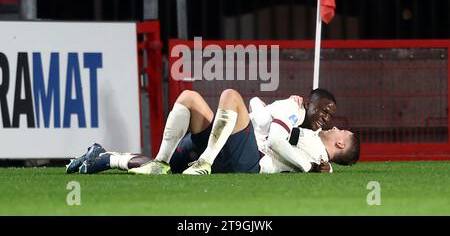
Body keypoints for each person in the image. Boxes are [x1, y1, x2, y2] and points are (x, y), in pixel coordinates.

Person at [66, 88, 357, 175]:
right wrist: (281, 109)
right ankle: (107, 158)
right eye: (327, 112)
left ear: (341, 143)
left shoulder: (318, 156)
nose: (330, 121)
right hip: (234, 147)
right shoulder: (298, 117)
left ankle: (202, 163)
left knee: (231, 96)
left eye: (336, 123)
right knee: (189, 98)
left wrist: (310, 167)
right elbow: (259, 108)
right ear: (309, 103)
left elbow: (279, 140)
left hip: (247, 158)